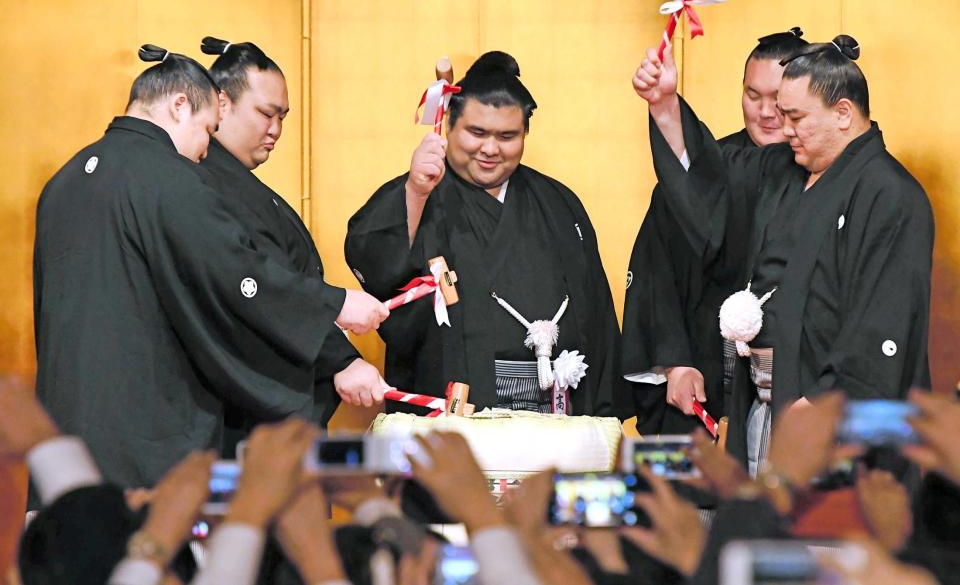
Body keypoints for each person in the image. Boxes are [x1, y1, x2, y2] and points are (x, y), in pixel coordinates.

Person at [33, 44, 388, 494]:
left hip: (63, 432)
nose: (205, 151)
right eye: (207, 130)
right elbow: (236, 276)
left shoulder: (62, 183)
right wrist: (333, 305)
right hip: (141, 439)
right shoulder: (169, 176)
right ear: (180, 105)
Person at [632, 35, 933, 475]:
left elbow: (882, 323)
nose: (781, 126)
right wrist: (664, 106)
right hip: (766, 400)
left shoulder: (890, 194)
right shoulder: (783, 169)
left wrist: (823, 404)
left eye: (795, 116)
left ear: (843, 114)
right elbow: (711, 180)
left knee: (825, 536)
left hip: (830, 413)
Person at [345, 51, 628, 416]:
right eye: (476, 133)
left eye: (507, 136)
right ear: (449, 126)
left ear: (526, 133)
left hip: (557, 408)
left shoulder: (559, 203)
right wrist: (415, 191)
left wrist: (603, 411)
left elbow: (596, 315)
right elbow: (376, 262)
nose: (490, 149)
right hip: (457, 408)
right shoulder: (422, 193)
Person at [195, 37, 387, 443]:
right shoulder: (206, 186)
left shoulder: (233, 182)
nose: (276, 130)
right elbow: (261, 288)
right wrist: (341, 359)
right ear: (221, 103)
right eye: (266, 114)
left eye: (282, 117)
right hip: (247, 412)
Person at [623, 28, 808, 436]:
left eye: (777, 99)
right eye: (752, 95)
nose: (765, 112)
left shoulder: (825, 176)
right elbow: (659, 270)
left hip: (798, 385)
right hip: (707, 366)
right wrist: (674, 362)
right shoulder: (712, 167)